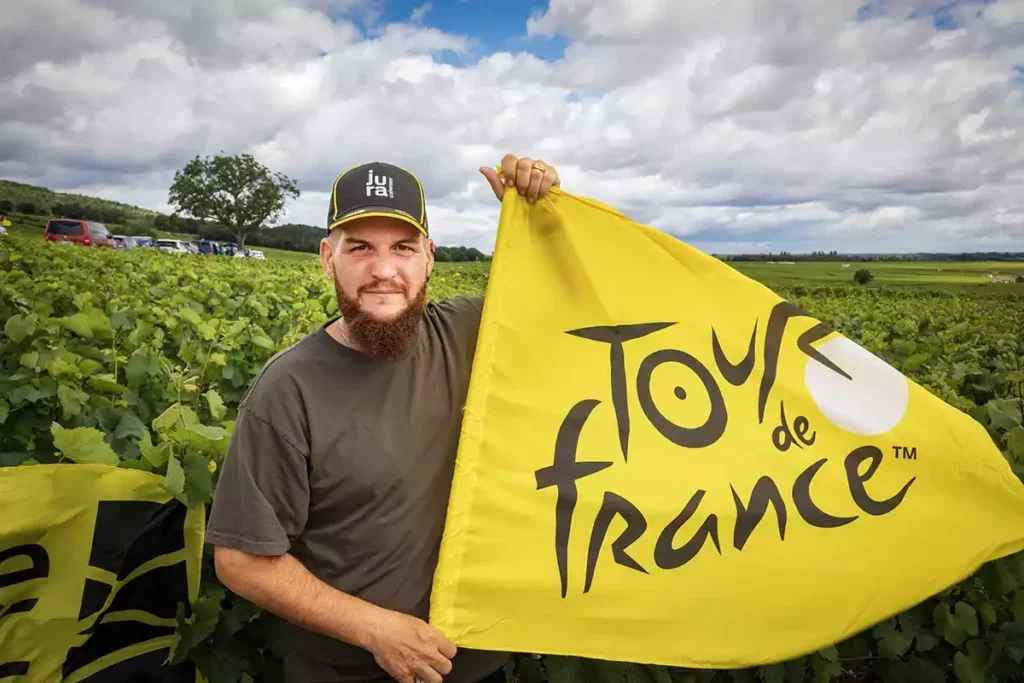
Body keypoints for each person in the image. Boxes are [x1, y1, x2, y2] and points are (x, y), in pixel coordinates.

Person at [206, 154, 562, 683]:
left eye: (402, 247)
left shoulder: (471, 334)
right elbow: (241, 560)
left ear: (429, 258)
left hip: (476, 665)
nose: (383, 271)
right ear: (328, 258)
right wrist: (376, 630)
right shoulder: (288, 390)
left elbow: (569, 306)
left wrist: (547, 217)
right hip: (350, 672)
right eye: (360, 248)